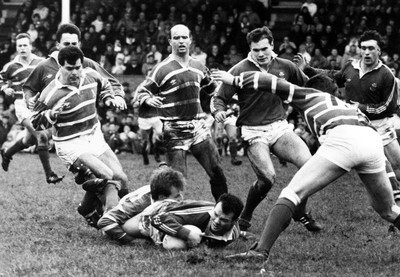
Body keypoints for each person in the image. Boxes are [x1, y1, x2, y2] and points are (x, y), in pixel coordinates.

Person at [212, 70, 400, 266]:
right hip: (372, 140)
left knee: (291, 193)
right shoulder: (351, 108)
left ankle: (260, 252)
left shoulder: (311, 95)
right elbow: (377, 153)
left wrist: (235, 80)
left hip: (344, 137)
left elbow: (274, 82)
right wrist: (393, 186)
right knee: (386, 209)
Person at [211, 26, 321, 232]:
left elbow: (308, 87)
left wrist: (304, 71)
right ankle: (246, 214)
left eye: (264, 49)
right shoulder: (239, 69)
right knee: (268, 178)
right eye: (256, 50)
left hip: (279, 127)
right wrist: (218, 111)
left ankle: (300, 211)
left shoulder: (285, 66)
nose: (260, 54)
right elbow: (219, 97)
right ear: (250, 49)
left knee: (309, 167)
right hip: (253, 131)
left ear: (272, 46)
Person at [23, 23, 128, 227]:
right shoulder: (51, 91)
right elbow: (36, 120)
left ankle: (90, 208)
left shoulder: (90, 70)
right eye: (70, 68)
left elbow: (105, 84)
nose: (75, 72)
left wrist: (111, 99)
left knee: (121, 178)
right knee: (108, 178)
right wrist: (52, 114)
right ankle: (114, 224)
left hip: (94, 134)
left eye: (78, 67)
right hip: (71, 143)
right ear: (60, 64)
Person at [296, 30, 400, 205]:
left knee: (397, 167)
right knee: (377, 172)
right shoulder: (351, 66)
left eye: (371, 48)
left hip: (380, 126)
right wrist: (307, 68)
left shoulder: (386, 74)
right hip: (357, 126)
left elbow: (388, 106)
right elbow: (333, 77)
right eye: (364, 48)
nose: (367, 52)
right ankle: (392, 207)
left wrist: (360, 107)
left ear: (379, 51)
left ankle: (393, 204)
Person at [136, 24, 228, 202]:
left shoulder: (198, 66)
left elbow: (213, 92)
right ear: (170, 41)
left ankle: (224, 214)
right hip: (174, 131)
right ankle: (172, 221)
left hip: (198, 127)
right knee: (177, 184)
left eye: (184, 37)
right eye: (176, 38)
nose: (181, 41)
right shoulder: (162, 68)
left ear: (190, 40)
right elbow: (141, 91)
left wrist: (222, 102)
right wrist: (148, 99)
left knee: (217, 172)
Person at [0, 33, 63, 184]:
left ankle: (7, 153)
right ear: (16, 47)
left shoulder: (41, 62)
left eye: (25, 45)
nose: (22, 48)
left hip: (38, 104)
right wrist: (4, 89)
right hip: (21, 105)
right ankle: (49, 174)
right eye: (19, 45)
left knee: (29, 140)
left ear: (31, 46)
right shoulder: (10, 66)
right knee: (41, 135)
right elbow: (1, 79)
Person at [97, 165, 185, 244]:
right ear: (162, 197)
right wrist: (131, 241)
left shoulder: (163, 195)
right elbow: (105, 221)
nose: (181, 199)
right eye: (177, 196)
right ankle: (108, 187)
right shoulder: (139, 204)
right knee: (109, 215)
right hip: (118, 220)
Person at [150, 192, 244, 248]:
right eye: (215, 214)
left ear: (234, 221)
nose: (216, 221)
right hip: (160, 208)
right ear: (214, 208)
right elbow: (157, 218)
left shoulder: (233, 234)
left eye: (224, 220)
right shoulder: (200, 214)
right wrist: (188, 234)